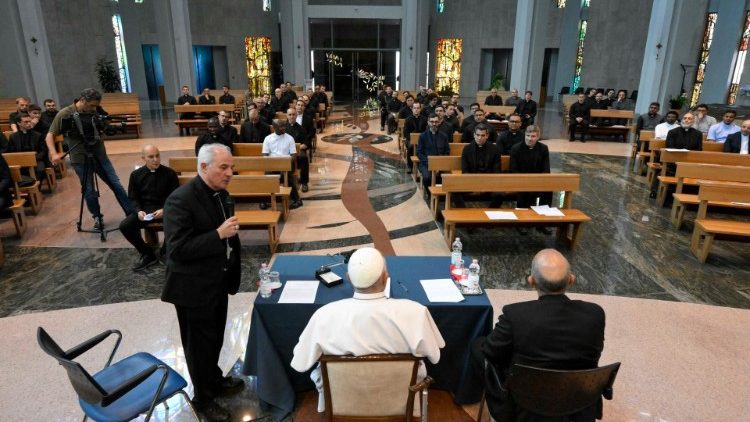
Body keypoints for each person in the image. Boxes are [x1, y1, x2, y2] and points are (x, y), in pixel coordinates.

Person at [291, 247, 445, 413]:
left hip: (343, 404)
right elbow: (435, 356)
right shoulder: (417, 313)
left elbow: (300, 362)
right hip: (400, 402)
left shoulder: (323, 316)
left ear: (349, 278)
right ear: (386, 278)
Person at [162, 143, 243, 422]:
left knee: (215, 338)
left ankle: (215, 379)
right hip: (192, 288)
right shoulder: (180, 200)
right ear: (204, 166)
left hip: (216, 281)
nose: (230, 172)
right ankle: (203, 399)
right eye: (224, 167)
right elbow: (177, 250)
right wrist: (218, 235)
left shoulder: (221, 194)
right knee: (198, 347)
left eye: (231, 167)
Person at [477, 249, 605, 421]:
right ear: (571, 279)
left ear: (531, 281)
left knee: (478, 346)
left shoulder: (515, 315)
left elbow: (491, 351)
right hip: (578, 401)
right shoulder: (595, 314)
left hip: (523, 405)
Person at [45, 88, 134, 230]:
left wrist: (108, 128)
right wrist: (54, 153)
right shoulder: (65, 113)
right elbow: (50, 135)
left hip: (99, 155)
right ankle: (97, 217)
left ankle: (131, 213)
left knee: (115, 183)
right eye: (92, 105)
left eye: (96, 106)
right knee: (89, 190)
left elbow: (104, 125)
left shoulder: (95, 111)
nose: (94, 108)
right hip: (80, 158)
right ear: (83, 100)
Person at [119, 145, 179, 270]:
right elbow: (133, 198)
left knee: (178, 221)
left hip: (165, 210)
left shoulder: (170, 174)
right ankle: (147, 253)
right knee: (125, 226)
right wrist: (138, 211)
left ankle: (165, 252)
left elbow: (175, 198)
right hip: (144, 211)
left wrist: (164, 210)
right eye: (151, 157)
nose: (155, 159)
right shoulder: (135, 175)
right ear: (143, 158)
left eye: (157, 156)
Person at [649, 112, 702, 198]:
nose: (686, 120)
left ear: (693, 121)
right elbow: (669, 147)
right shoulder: (673, 132)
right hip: (673, 162)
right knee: (665, 171)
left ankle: (688, 196)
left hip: (689, 163)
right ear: (682, 120)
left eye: (689, 118)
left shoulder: (698, 134)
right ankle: (658, 193)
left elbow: (699, 150)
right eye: (685, 118)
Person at [510, 126, 552, 234]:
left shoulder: (543, 148)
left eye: (533, 136)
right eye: (527, 136)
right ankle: (522, 223)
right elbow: (513, 170)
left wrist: (537, 182)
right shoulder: (516, 148)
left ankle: (543, 223)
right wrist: (526, 181)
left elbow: (546, 169)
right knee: (523, 191)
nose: (530, 139)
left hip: (538, 181)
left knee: (548, 191)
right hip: (520, 180)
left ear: (538, 137)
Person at [455, 124, 502, 208]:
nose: (480, 138)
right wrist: (475, 184)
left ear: (487, 136)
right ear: (474, 135)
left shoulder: (494, 149)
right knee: (455, 192)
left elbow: (496, 171)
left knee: (499, 194)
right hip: (471, 181)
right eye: (478, 135)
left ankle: (490, 213)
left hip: (489, 182)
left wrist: (486, 185)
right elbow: (465, 171)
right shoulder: (467, 149)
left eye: (483, 135)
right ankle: (463, 214)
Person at [262, 119, 303, 209]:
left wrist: (285, 165)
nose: (284, 128)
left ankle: (297, 200)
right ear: (274, 127)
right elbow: (265, 155)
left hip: (286, 165)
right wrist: (270, 166)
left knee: (288, 176)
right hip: (272, 165)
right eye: (281, 126)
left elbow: (293, 155)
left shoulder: (289, 138)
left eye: (284, 126)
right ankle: (264, 200)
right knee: (267, 176)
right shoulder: (268, 139)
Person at [4, 113, 47, 180]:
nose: (29, 124)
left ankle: (36, 188)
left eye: (30, 121)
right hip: (19, 161)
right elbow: (11, 151)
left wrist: (33, 159)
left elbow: (43, 151)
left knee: (40, 170)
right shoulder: (13, 137)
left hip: (36, 160)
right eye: (26, 122)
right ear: (19, 123)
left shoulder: (38, 135)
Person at [417, 114, 450, 190]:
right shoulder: (422, 136)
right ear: (428, 122)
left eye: (436, 122)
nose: (434, 124)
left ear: (439, 123)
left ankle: (442, 195)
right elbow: (419, 153)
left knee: (448, 177)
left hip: (441, 163)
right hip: (426, 164)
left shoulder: (444, 136)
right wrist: (431, 164)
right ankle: (429, 194)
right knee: (427, 177)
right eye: (432, 122)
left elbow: (447, 151)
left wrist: (439, 164)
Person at [285, 107, 311, 193]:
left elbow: (306, 144)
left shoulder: (301, 128)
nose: (292, 116)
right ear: (287, 116)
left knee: (304, 157)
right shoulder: (282, 128)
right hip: (285, 151)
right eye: (290, 115)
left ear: (296, 116)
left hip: (298, 151)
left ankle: (304, 182)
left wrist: (296, 147)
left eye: (293, 115)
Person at [403, 102, 428, 173]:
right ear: (412, 109)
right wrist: (413, 139)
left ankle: (423, 165)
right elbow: (406, 133)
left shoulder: (425, 119)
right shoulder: (408, 119)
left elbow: (426, 131)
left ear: (420, 109)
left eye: (418, 108)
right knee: (411, 146)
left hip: (422, 140)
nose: (416, 110)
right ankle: (409, 165)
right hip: (410, 139)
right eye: (415, 108)